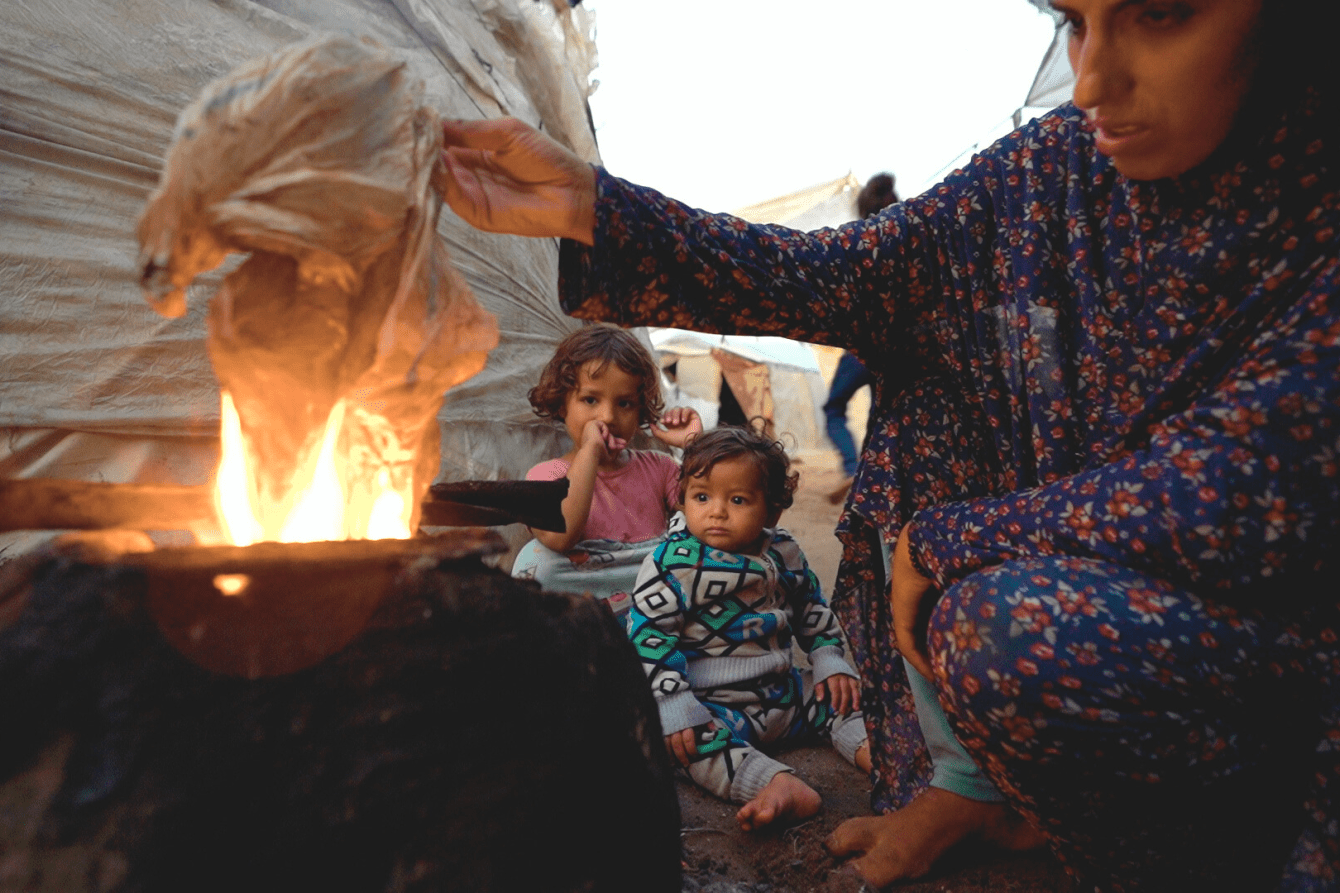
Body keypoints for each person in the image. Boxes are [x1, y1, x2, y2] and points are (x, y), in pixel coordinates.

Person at [439, 1, 1340, 888]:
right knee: (935, 355)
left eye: (1163, 14)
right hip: (1096, 559)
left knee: (1010, 632)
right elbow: (851, 273)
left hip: (1277, 639)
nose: (1094, 79)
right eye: (1075, 22)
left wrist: (945, 537)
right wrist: (596, 207)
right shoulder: (1052, 171)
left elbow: (1234, 492)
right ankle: (976, 788)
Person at [627, 426, 870, 830]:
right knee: (676, 741)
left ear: (773, 510)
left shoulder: (784, 551)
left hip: (785, 693)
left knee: (842, 696)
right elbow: (649, 637)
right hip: (712, 704)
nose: (717, 511)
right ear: (683, 496)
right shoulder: (671, 563)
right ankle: (771, 782)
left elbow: (811, 607)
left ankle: (873, 753)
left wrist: (829, 659)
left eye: (738, 500)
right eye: (701, 497)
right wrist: (673, 703)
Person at [513, 324, 701, 614]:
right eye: (590, 400)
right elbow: (561, 538)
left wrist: (693, 448)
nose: (608, 416)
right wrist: (589, 451)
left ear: (640, 410)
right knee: (536, 561)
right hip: (586, 594)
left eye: (625, 403)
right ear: (563, 404)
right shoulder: (546, 475)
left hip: (646, 591)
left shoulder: (660, 468)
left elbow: (708, 515)